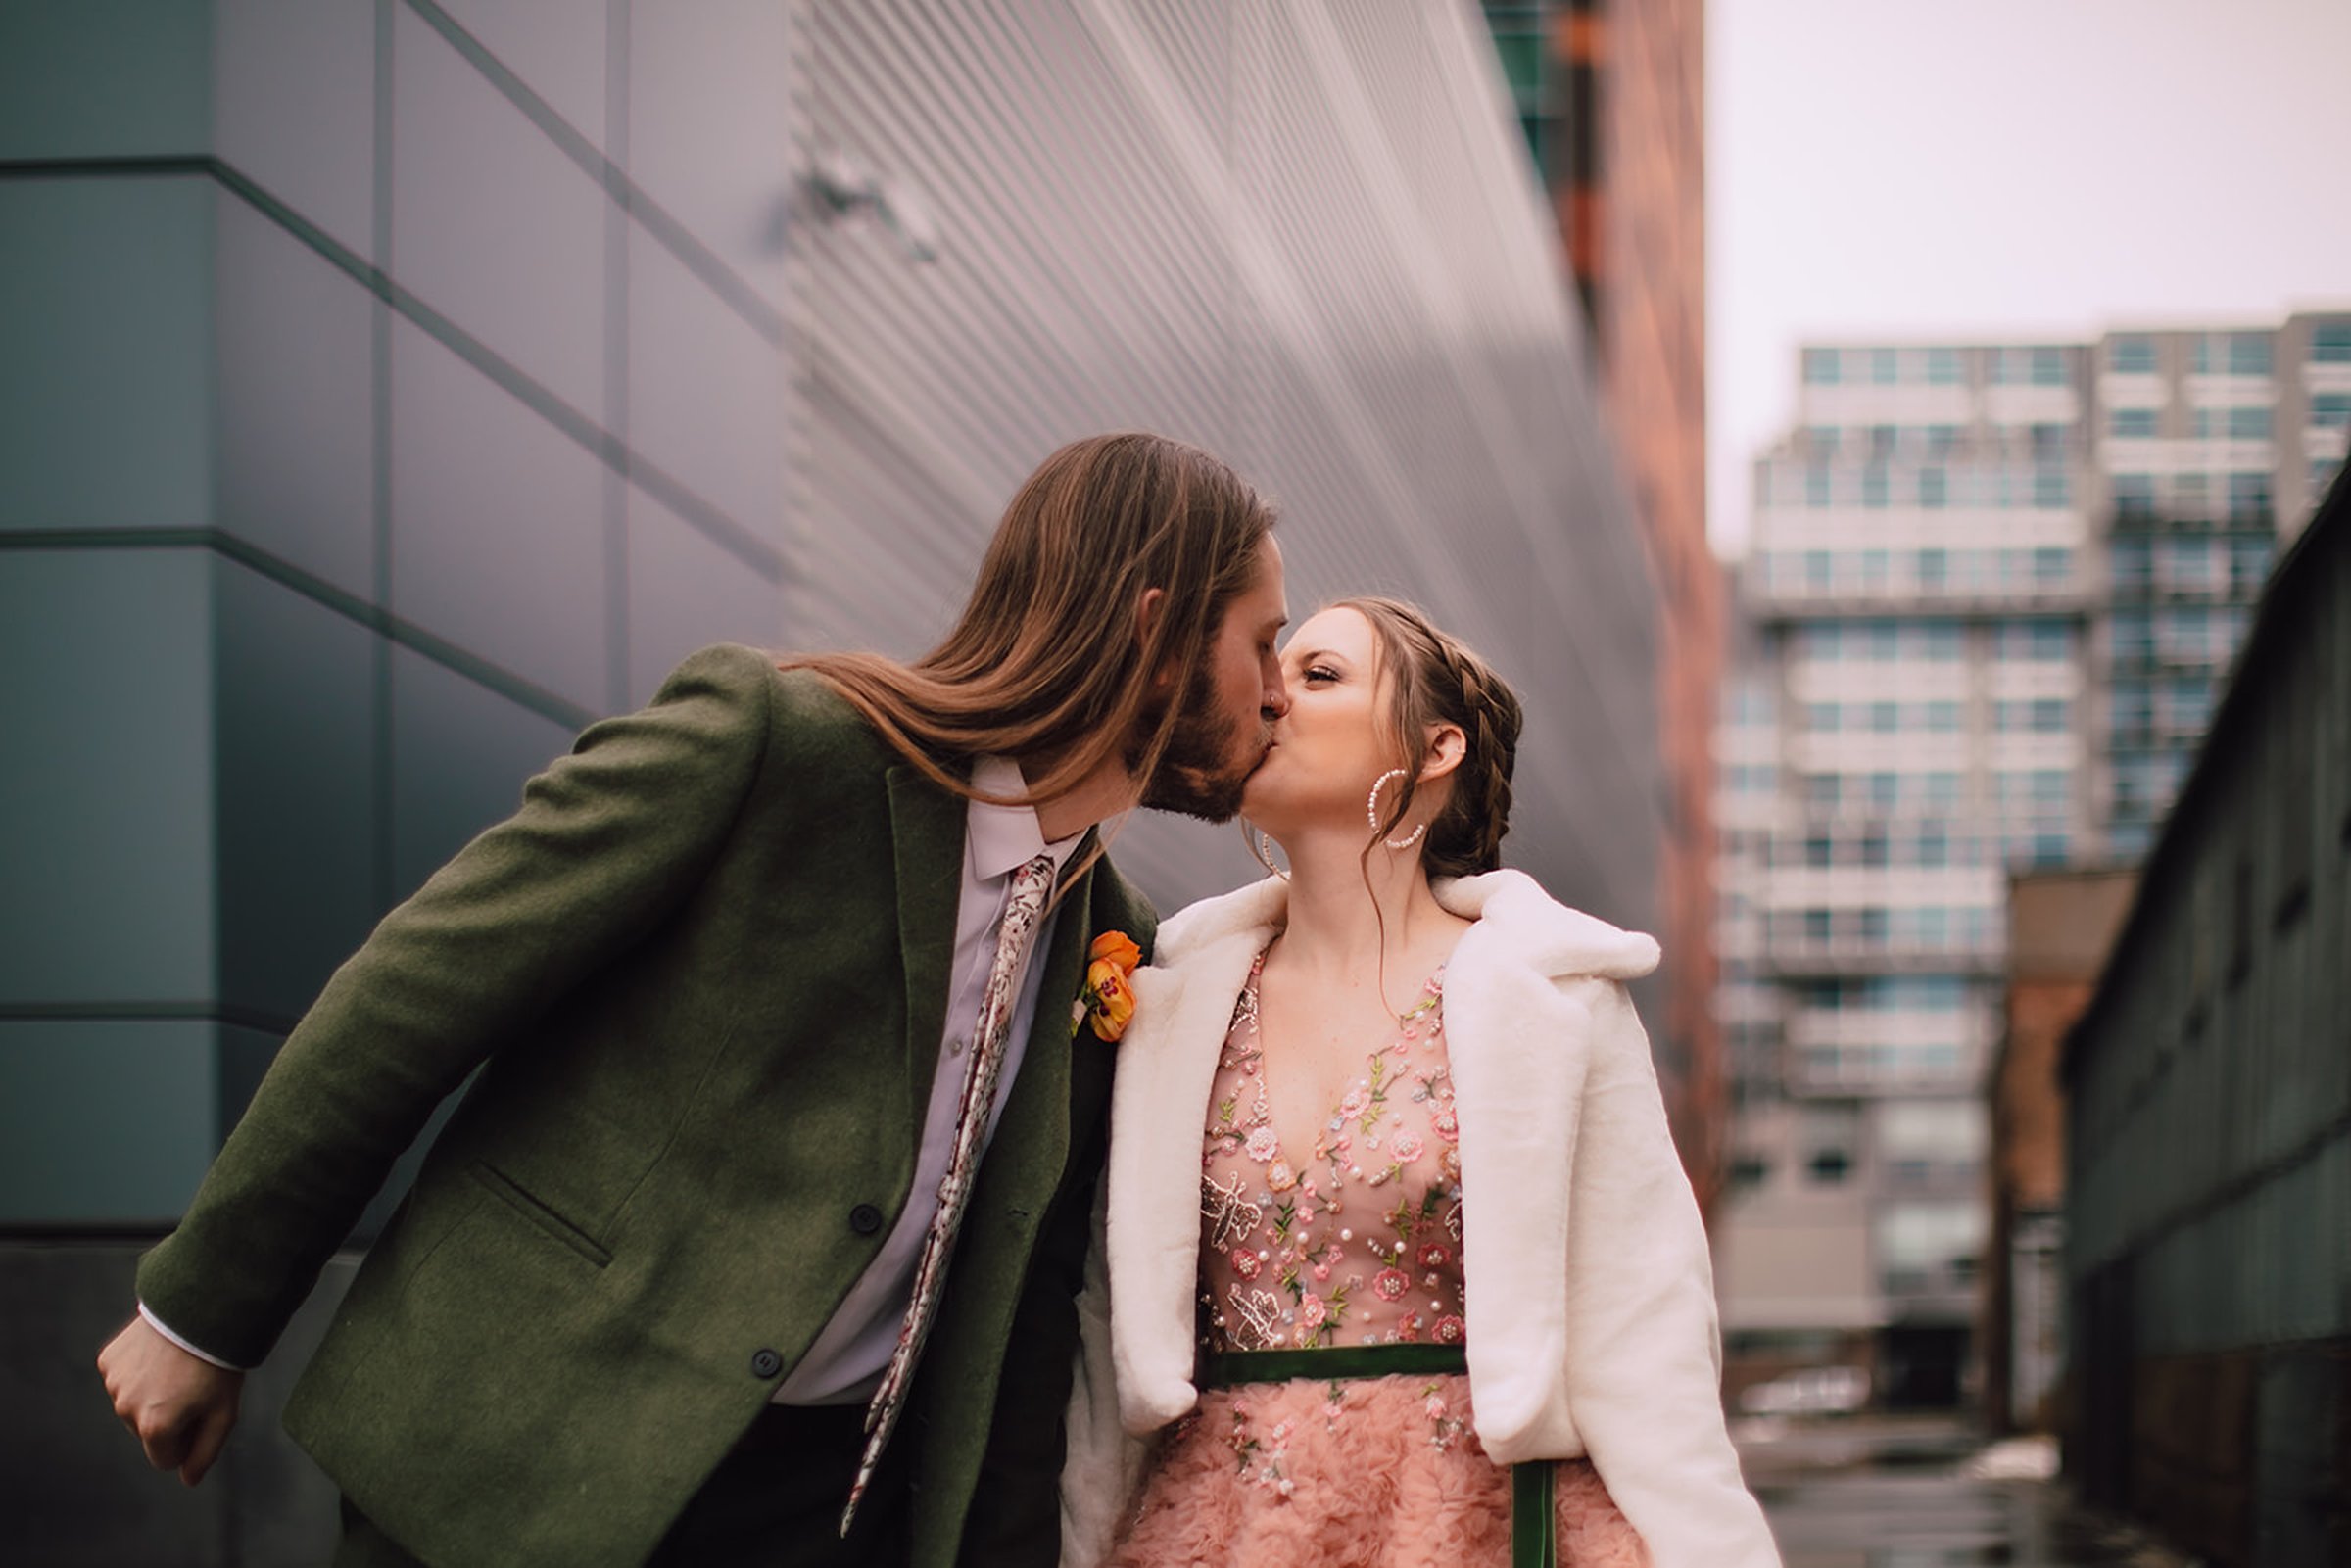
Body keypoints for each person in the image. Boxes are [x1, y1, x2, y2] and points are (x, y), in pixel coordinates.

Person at [94, 432, 1293, 1568]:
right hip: (533, 1440)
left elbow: (1022, 1310)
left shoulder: (1116, 937)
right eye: (1262, 641)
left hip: (818, 1513)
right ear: (1153, 631)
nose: (1280, 692)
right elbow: (415, 996)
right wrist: (204, 1314)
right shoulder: (778, 741)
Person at [1059, 597, 1780, 1567]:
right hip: (1219, 1526)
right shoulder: (1177, 993)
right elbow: (1104, 1333)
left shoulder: (1549, 998)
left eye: (1320, 675)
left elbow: (1645, 1322)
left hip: (1467, 1520)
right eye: (1277, 666)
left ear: (1436, 748)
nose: (1271, 695)